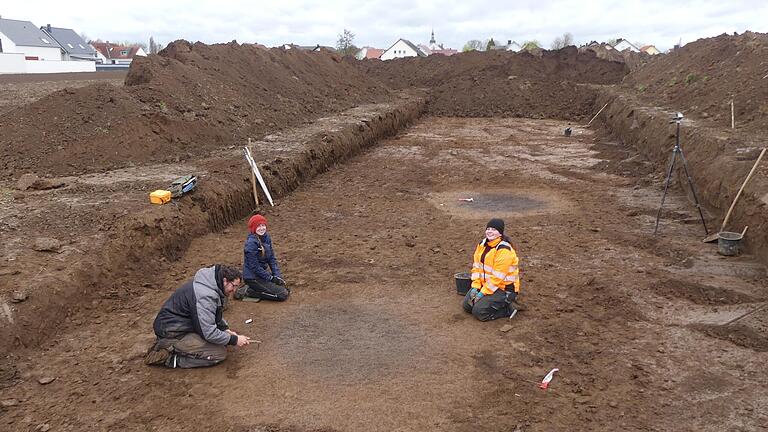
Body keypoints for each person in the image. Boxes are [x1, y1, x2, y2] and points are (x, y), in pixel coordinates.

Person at [145, 264, 251, 368]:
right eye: (234, 286)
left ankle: (172, 345)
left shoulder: (211, 285)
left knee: (222, 340)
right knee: (218, 353)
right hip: (173, 333)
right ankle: (169, 357)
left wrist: (225, 330)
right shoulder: (205, 295)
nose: (235, 290)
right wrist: (235, 340)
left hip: (183, 326)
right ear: (224, 280)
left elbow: (212, 314)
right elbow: (209, 333)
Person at [462, 218, 521, 321]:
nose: (490, 231)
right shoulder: (482, 244)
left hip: (503, 289)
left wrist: (482, 293)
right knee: (467, 306)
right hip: (487, 285)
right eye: (488, 228)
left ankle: (509, 309)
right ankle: (488, 300)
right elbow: (476, 267)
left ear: (500, 233)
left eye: (494, 229)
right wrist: (475, 286)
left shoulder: (504, 250)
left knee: (479, 312)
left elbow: (497, 278)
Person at [236, 214, 290, 301]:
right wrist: (270, 278)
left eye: (263, 225)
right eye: (258, 226)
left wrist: (277, 275)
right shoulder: (251, 244)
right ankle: (247, 291)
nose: (262, 228)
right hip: (253, 277)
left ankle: (256, 288)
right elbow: (254, 267)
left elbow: (272, 258)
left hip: (262, 275)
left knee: (286, 289)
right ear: (253, 228)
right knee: (282, 295)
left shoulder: (266, 238)